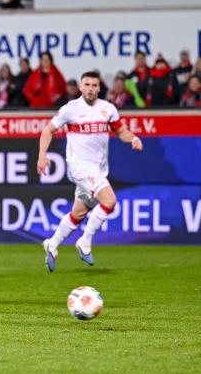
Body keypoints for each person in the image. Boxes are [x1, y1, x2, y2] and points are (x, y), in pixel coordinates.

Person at [37, 71, 143, 272]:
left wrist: (134, 138)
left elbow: (121, 131)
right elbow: (47, 130)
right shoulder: (71, 109)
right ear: (80, 87)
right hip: (79, 166)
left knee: (79, 212)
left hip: (99, 168)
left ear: (99, 88)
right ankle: (85, 241)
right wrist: (42, 155)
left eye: (94, 85)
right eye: (87, 84)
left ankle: (52, 243)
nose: (90, 89)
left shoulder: (108, 109)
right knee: (110, 201)